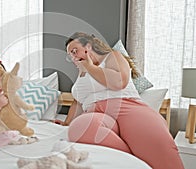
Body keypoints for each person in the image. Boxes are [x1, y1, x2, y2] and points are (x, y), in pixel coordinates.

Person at [55, 32, 184, 169]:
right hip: (96, 114)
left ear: (89, 46)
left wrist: (90, 67)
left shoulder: (113, 56)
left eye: (75, 51)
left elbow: (119, 82)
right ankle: (133, 163)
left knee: (158, 145)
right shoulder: (82, 72)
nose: (73, 57)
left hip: (126, 107)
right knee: (79, 128)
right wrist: (67, 123)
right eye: (70, 55)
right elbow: (78, 101)